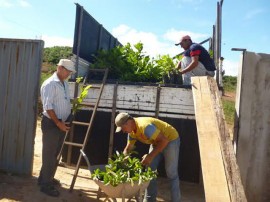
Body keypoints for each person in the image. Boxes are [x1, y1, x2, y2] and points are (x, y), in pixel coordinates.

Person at [115, 112, 181, 202]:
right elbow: (128, 148)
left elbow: (164, 141)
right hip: (156, 142)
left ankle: (176, 200)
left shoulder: (145, 127)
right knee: (150, 171)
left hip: (170, 140)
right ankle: (150, 200)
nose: (123, 131)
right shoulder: (132, 132)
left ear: (128, 122)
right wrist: (122, 161)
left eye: (123, 128)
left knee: (171, 173)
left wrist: (150, 156)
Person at [38, 59, 76, 197]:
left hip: (61, 123)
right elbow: (48, 107)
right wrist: (59, 123)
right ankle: (45, 185)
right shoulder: (50, 84)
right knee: (49, 155)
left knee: (55, 154)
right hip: (52, 124)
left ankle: (46, 178)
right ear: (59, 68)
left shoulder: (64, 83)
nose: (69, 74)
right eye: (68, 71)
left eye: (70, 72)